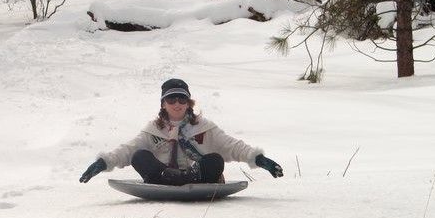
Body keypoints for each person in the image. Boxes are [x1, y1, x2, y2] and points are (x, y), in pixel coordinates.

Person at [79, 78, 283, 185]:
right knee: (139, 156)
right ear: (163, 104)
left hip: (198, 176)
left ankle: (188, 179)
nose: (177, 104)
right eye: (171, 99)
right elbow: (127, 150)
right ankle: (167, 177)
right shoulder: (153, 130)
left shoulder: (204, 127)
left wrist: (258, 159)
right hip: (162, 175)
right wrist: (103, 162)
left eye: (182, 99)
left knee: (214, 160)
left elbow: (232, 146)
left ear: (188, 103)